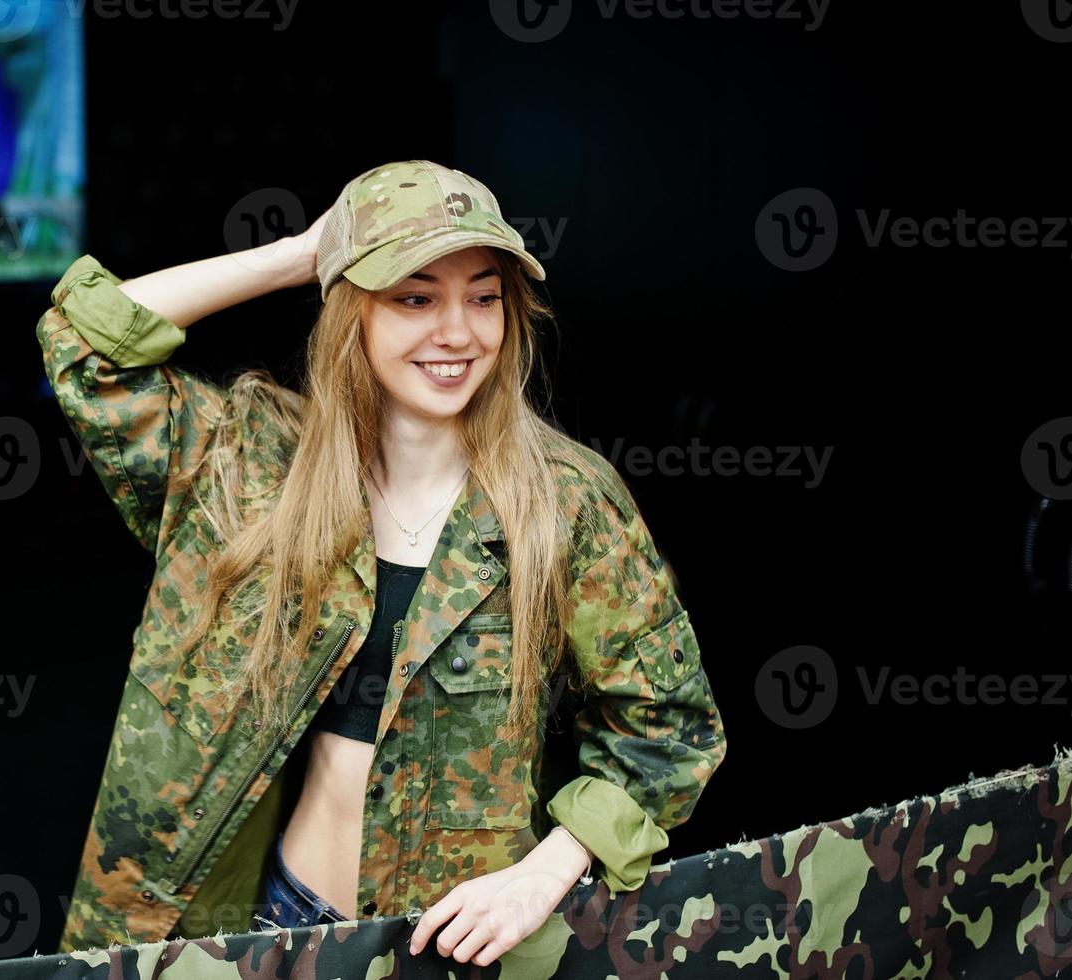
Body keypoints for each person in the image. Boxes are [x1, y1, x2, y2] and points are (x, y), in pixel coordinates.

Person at [38, 160, 727, 967]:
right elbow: (84, 343)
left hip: (454, 946)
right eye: (414, 296)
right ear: (351, 314)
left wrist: (543, 874)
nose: (458, 332)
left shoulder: (564, 503)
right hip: (271, 925)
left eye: (483, 295)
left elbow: (669, 728)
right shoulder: (253, 467)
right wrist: (303, 252)